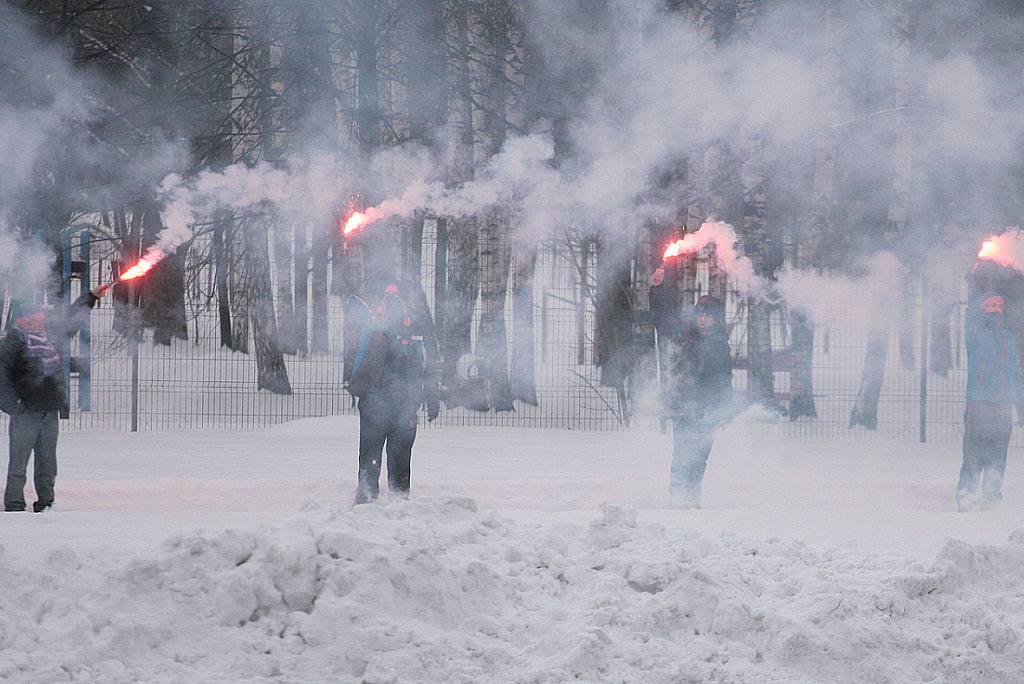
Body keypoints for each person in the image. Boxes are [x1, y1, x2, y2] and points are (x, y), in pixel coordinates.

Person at [0, 284, 110, 512]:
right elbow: (2, 378)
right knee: (18, 464)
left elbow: (72, 320)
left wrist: (91, 297)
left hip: (50, 409)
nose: (40, 320)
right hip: (25, 412)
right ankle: (14, 505)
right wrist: (14, 406)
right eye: (34, 317)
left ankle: (46, 503)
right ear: (21, 320)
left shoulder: (51, 334)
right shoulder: (11, 343)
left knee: (47, 463)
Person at [345, 281, 440, 504]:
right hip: (402, 404)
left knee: (372, 456)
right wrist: (432, 397)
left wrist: (357, 390)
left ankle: (368, 500)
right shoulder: (414, 328)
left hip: (378, 404)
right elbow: (427, 366)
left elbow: (358, 361)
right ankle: (397, 499)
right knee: (398, 457)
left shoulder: (374, 326)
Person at [663, 294, 733, 508]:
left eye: (708, 316)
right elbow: (661, 319)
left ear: (716, 319)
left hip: (708, 409)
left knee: (700, 456)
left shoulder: (720, 344)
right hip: (685, 407)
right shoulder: (686, 339)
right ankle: (676, 497)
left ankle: (692, 496)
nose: (702, 319)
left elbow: (724, 378)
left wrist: (725, 405)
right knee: (682, 453)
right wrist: (658, 290)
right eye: (700, 315)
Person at [956, 292, 1023, 512]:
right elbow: (970, 317)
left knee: (998, 454)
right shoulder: (975, 334)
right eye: (991, 305)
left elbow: (1015, 376)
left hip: (1002, 406)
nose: (996, 309)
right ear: (983, 308)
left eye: (999, 305)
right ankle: (966, 495)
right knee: (973, 453)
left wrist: (1021, 406)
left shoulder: (1008, 339)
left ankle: (991, 496)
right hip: (979, 403)